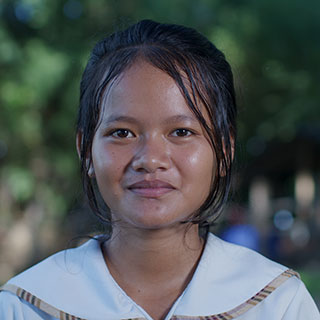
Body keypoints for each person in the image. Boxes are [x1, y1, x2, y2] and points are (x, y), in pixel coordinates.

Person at [0, 19, 319, 320]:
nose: (151, 159)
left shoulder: (278, 303)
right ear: (85, 150)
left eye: (181, 132)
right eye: (122, 133)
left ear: (224, 150)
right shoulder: (25, 306)